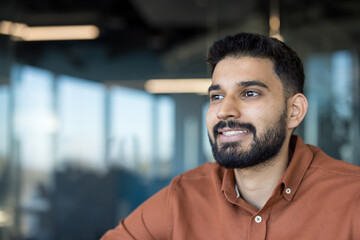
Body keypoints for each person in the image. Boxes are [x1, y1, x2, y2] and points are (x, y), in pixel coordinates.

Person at [102, 33, 360, 239]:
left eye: (249, 93)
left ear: (294, 111)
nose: (225, 110)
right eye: (217, 96)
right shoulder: (184, 196)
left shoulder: (352, 197)